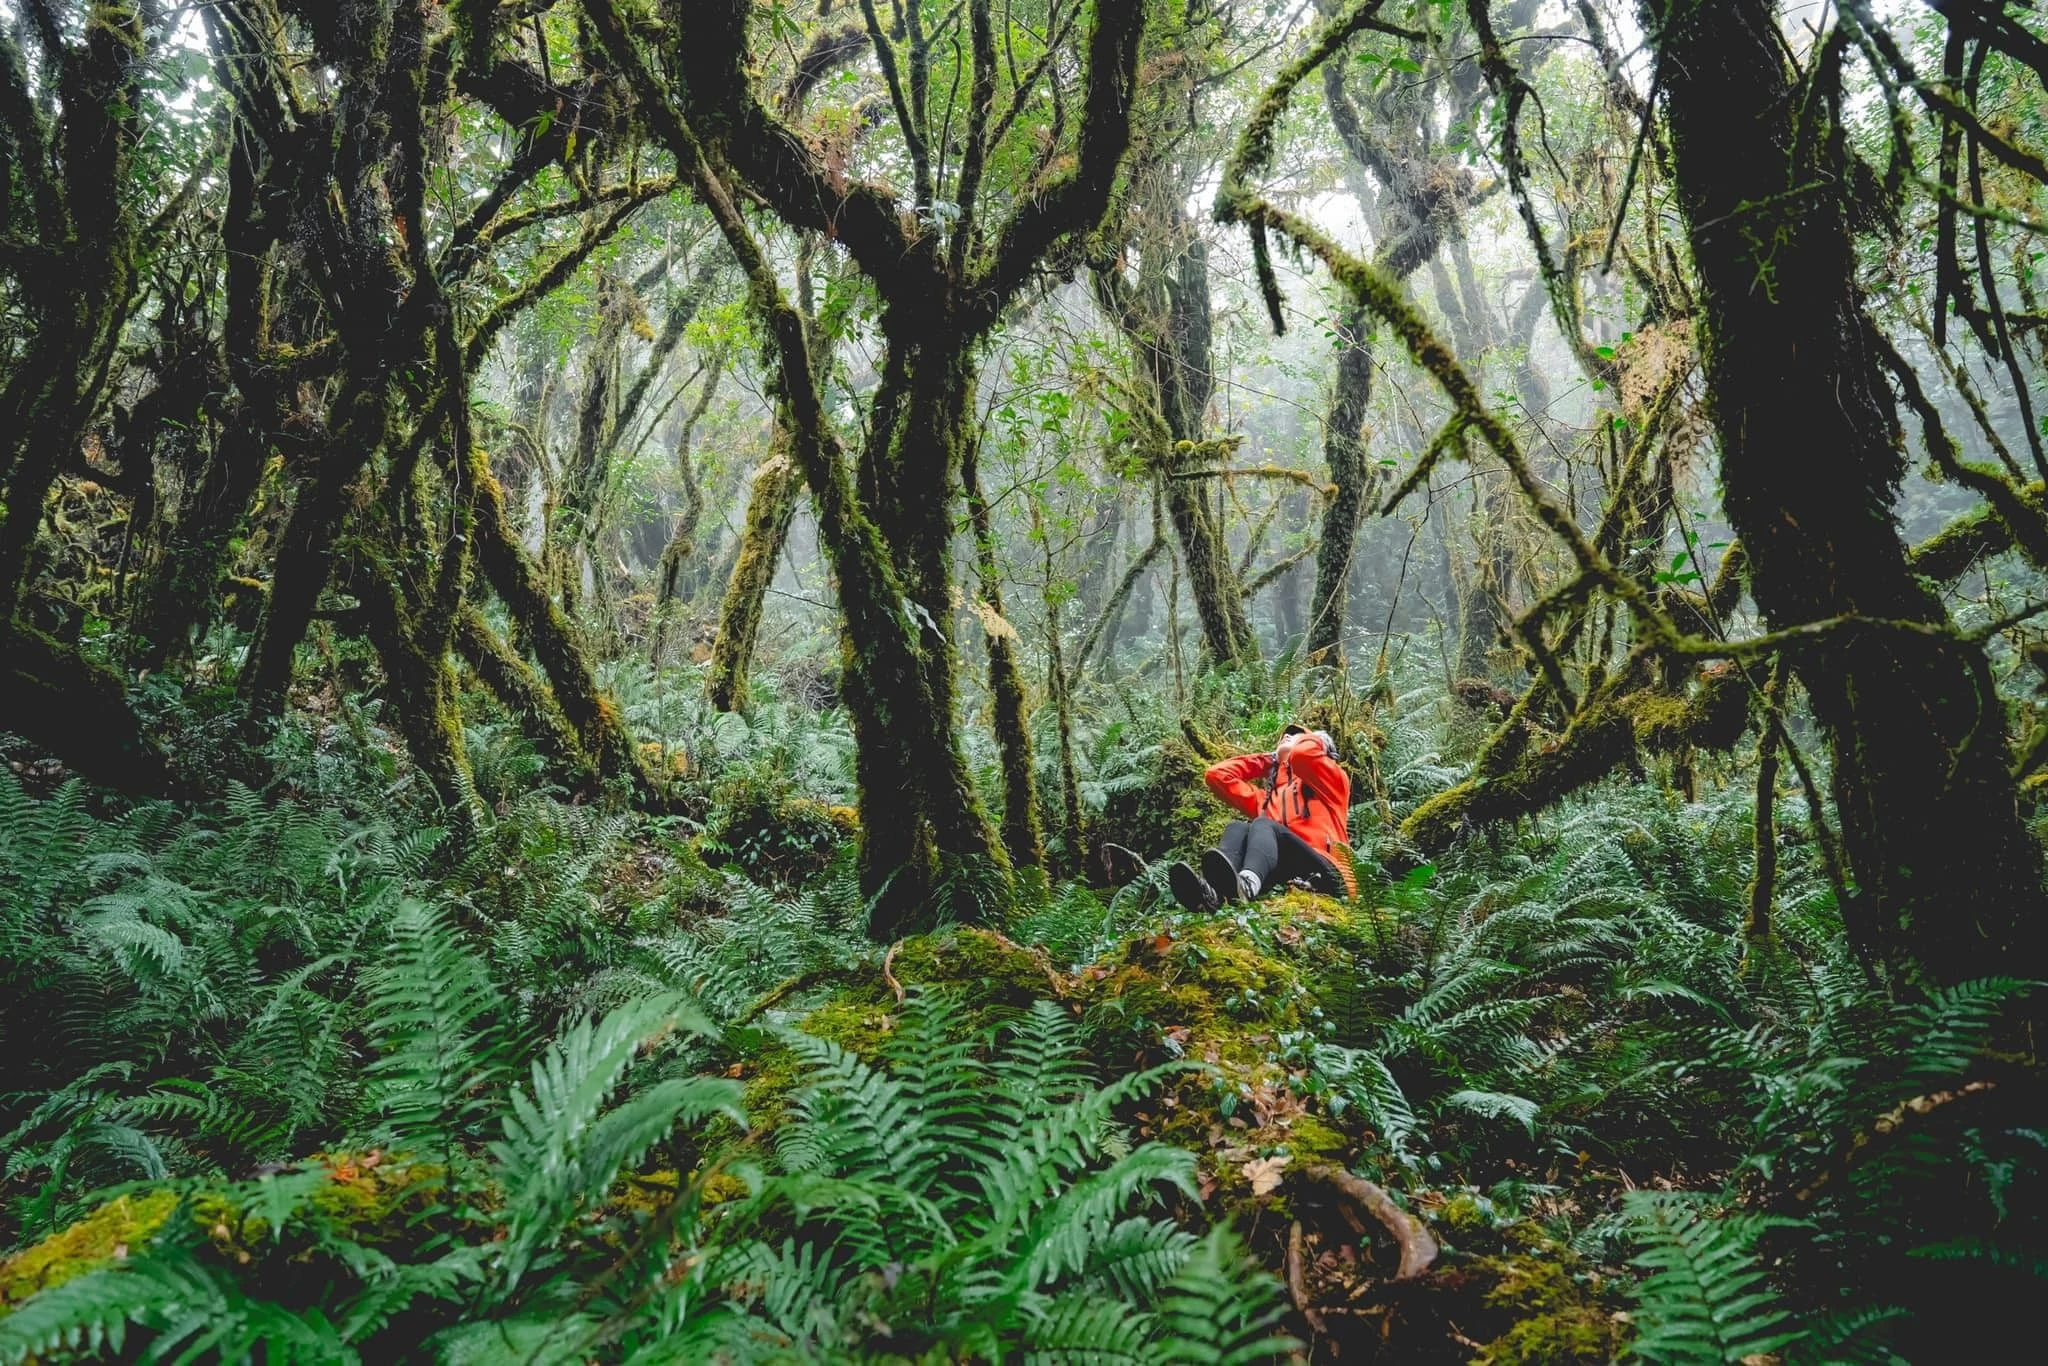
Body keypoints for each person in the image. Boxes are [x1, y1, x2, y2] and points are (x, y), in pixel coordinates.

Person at [1168, 722, 1357, 912]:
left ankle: (1248, 884)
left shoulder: (1330, 782)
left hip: (1330, 872)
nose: (1287, 737)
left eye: (1297, 736)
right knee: (1237, 828)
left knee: (1263, 824)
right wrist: (1271, 760)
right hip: (1291, 874)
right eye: (1285, 737)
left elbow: (1302, 756)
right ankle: (1216, 895)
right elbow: (1216, 775)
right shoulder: (1267, 801)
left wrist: (1317, 740)